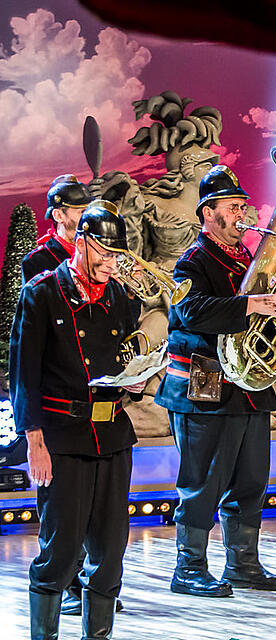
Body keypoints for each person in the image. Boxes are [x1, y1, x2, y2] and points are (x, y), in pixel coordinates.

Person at [154, 165, 276, 597]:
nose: (241, 214)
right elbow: (189, 312)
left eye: (242, 206)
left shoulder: (247, 259)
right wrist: (249, 305)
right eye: (232, 207)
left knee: (251, 480)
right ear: (207, 213)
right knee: (203, 482)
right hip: (205, 389)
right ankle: (189, 567)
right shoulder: (192, 261)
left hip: (248, 389)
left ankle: (242, 564)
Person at [11, 200, 143, 640]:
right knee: (62, 550)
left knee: (110, 551)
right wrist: (34, 442)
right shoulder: (42, 292)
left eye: (117, 255)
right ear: (82, 243)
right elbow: (23, 375)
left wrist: (137, 380)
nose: (111, 263)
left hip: (113, 436)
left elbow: (125, 356)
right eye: (104, 253)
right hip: (62, 438)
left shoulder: (121, 296)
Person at [21, 175, 93, 284]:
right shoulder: (35, 261)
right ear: (58, 216)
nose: (89, 217)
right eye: (82, 212)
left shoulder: (99, 251)